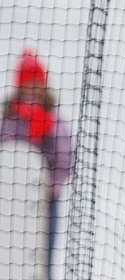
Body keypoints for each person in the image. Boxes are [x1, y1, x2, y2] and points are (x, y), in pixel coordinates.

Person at [1, 47, 73, 270]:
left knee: (41, 258)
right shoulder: (10, 117)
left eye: (36, 83)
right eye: (27, 83)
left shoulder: (52, 119)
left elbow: (65, 155)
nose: (32, 90)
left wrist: (51, 186)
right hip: (10, 203)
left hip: (44, 203)